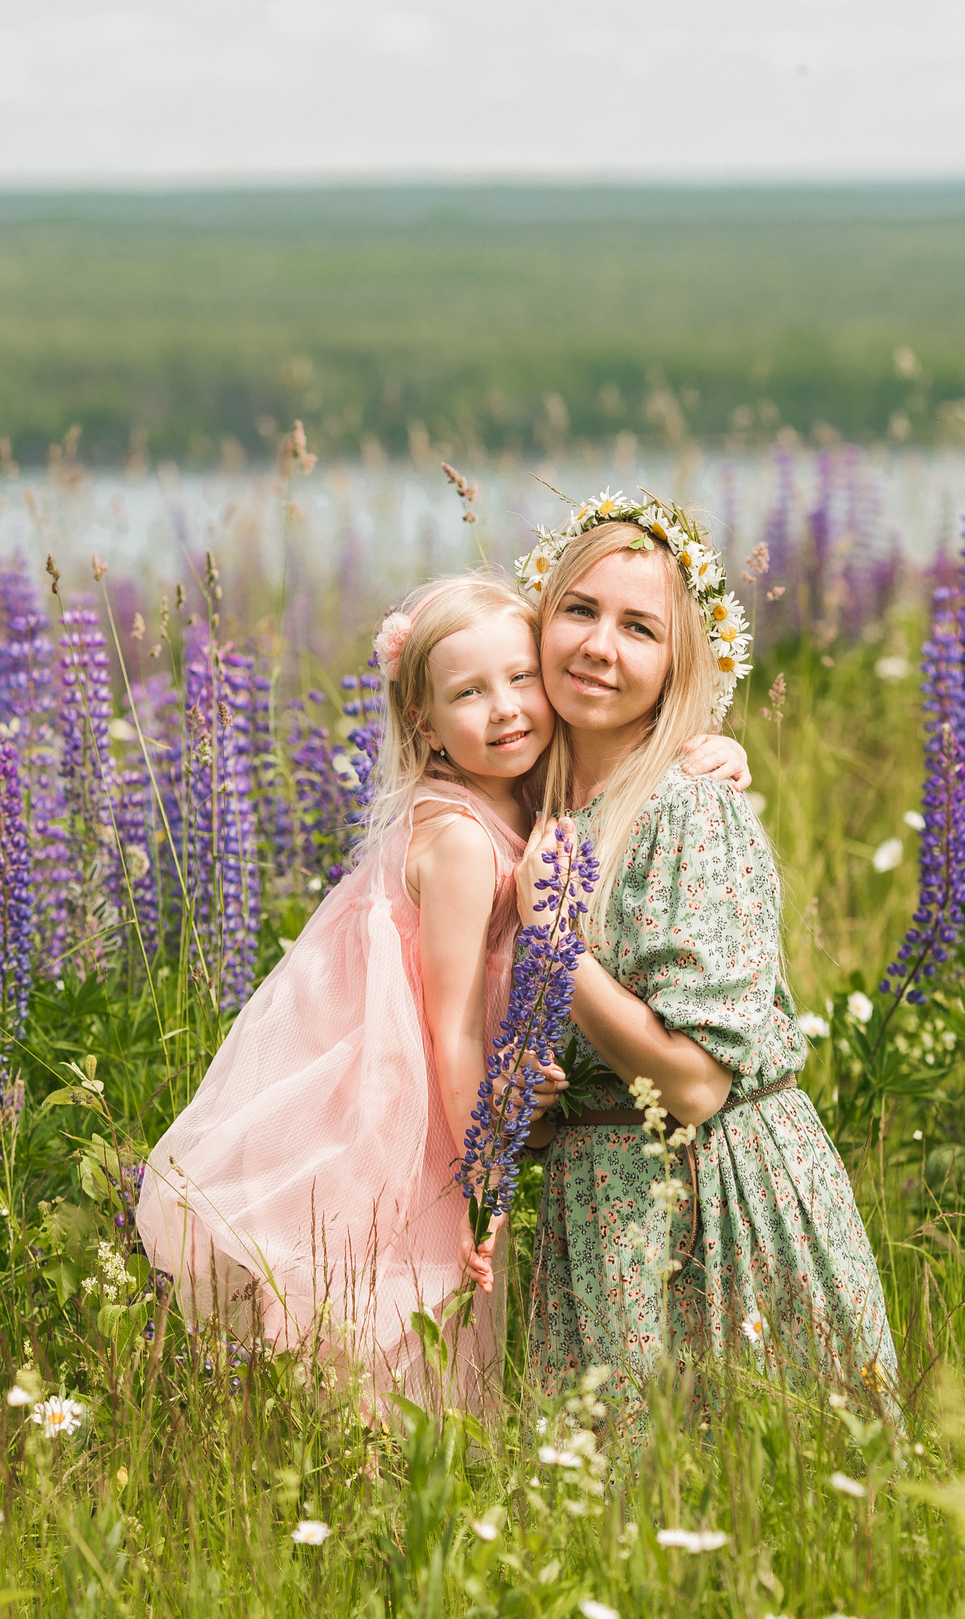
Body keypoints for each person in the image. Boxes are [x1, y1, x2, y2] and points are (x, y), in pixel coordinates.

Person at [132, 573, 749, 1415]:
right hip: (413, 1115)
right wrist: (486, 1179)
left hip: (440, 1110)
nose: (505, 710)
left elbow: (615, 777)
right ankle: (376, 1482)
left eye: (521, 679)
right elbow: (456, 1027)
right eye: (468, 693)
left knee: (417, 1328)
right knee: (403, 1331)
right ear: (422, 721)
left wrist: (707, 749)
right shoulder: (460, 839)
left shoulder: (520, 794)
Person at [515, 498, 899, 1419]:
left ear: (679, 663)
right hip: (599, 1209)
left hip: (719, 1206)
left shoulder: (690, 806)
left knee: (765, 1510)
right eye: (579, 609)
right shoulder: (527, 806)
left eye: (639, 627)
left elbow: (693, 1086)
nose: (599, 645)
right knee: (608, 1541)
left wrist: (555, 949)